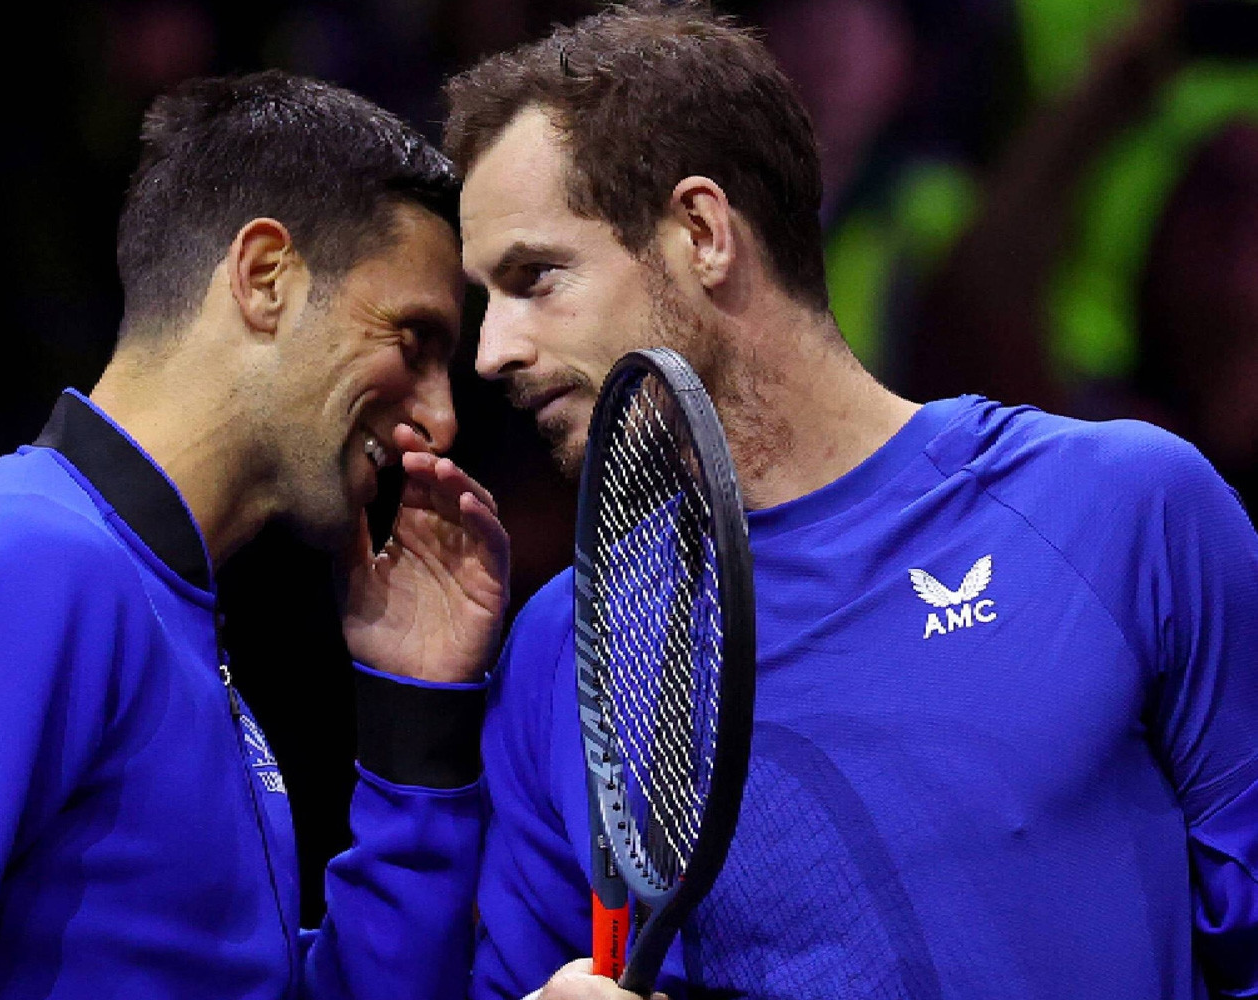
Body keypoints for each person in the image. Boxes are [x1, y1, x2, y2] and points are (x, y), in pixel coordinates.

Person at [442, 3, 1258, 998]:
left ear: (701, 234)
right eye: (486, 299)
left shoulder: (1127, 511)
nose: (493, 351)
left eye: (535, 278)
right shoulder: (561, 646)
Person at [0, 70, 509, 1000]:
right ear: (265, 277)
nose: (441, 418)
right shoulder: (21, 569)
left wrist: (416, 724)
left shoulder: (145, 599)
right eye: (413, 340)